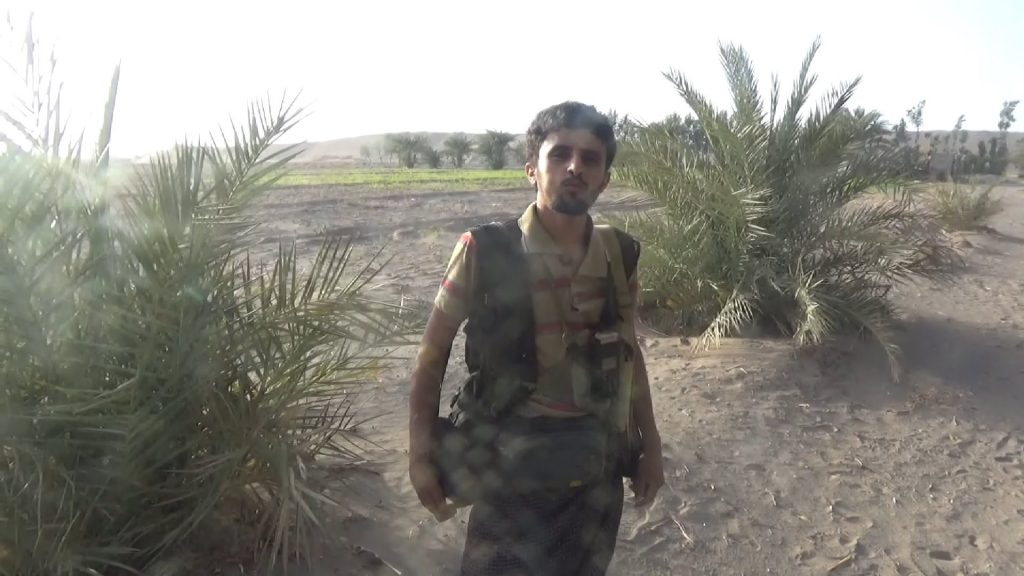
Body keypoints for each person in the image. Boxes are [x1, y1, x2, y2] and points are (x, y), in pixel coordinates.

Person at [408, 101, 664, 576]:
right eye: (560, 154)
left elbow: (629, 353)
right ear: (532, 168)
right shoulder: (486, 250)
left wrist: (651, 445)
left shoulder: (619, 254)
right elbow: (432, 354)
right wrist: (420, 455)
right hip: (511, 474)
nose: (575, 167)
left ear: (604, 180)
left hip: (595, 475)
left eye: (590, 159)